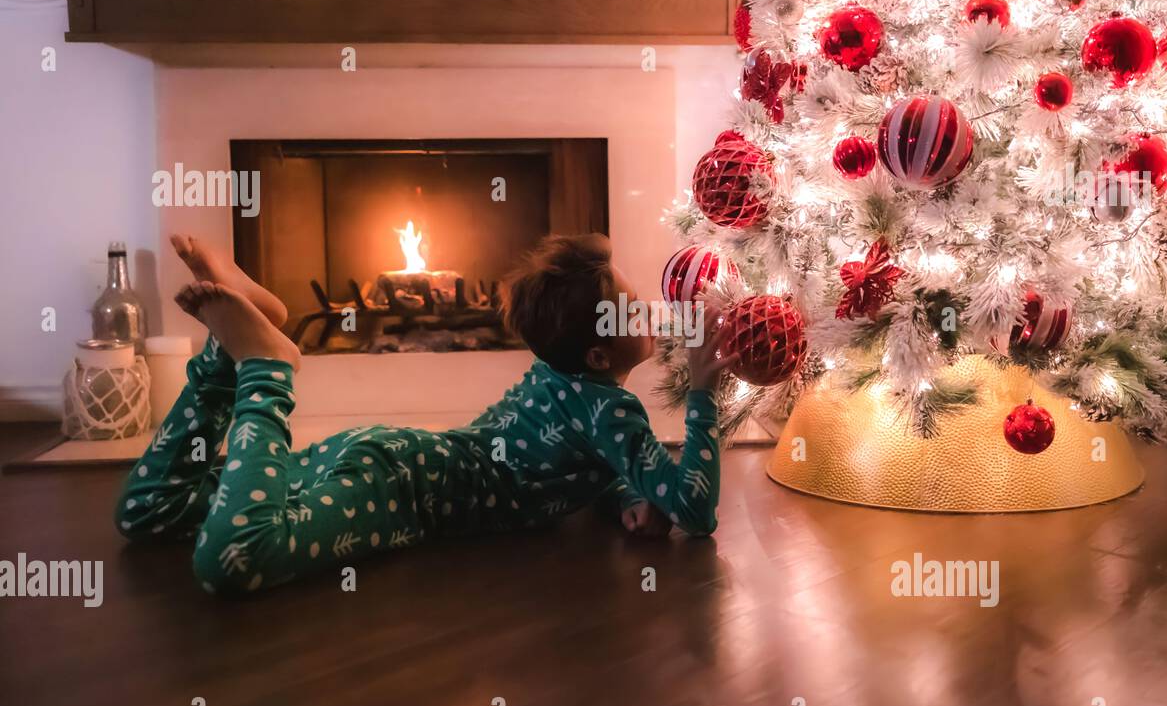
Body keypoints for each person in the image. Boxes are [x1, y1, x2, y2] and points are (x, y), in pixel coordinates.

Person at [115, 233, 734, 595]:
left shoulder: (558, 374)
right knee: (235, 557)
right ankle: (265, 363)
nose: (648, 314)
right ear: (600, 352)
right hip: (401, 488)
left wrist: (623, 490)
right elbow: (697, 514)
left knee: (148, 512)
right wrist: (704, 393)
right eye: (630, 309)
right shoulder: (612, 408)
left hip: (389, 452)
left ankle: (226, 353)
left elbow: (590, 451)